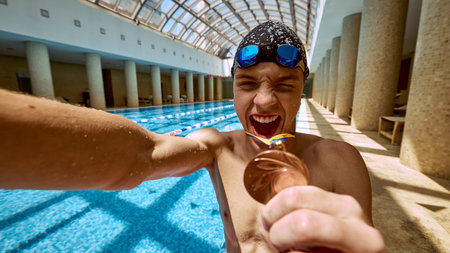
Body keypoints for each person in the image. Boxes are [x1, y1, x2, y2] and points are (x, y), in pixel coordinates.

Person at [0, 21, 384, 252]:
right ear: (233, 88)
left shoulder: (338, 159)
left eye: (284, 84)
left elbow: (360, 235)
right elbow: (141, 155)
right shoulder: (220, 147)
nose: (264, 100)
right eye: (247, 83)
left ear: (303, 88)